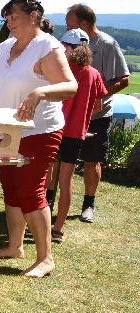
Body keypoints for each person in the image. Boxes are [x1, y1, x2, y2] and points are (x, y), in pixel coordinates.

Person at [0, 0, 78, 278]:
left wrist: (40, 92)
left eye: (14, 17)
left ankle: (46, 258)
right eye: (8, 18)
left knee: (31, 191)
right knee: (12, 190)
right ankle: (15, 246)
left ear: (34, 16)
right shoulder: (4, 47)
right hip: (5, 129)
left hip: (38, 132)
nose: (10, 22)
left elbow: (70, 85)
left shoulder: (46, 46)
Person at [65, 4, 131, 223]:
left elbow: (124, 80)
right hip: (70, 116)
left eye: (70, 24)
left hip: (97, 115)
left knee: (92, 161)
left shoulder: (107, 44)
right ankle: (51, 202)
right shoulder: (69, 44)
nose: (66, 28)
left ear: (84, 24)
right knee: (63, 163)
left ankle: (88, 204)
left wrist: (93, 96)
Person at [47, 29, 107, 242]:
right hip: (75, 134)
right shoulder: (94, 73)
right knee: (66, 181)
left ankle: (39, 223)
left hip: (55, 128)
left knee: (49, 178)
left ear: (68, 47)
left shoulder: (61, 69)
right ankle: (58, 229)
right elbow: (98, 105)